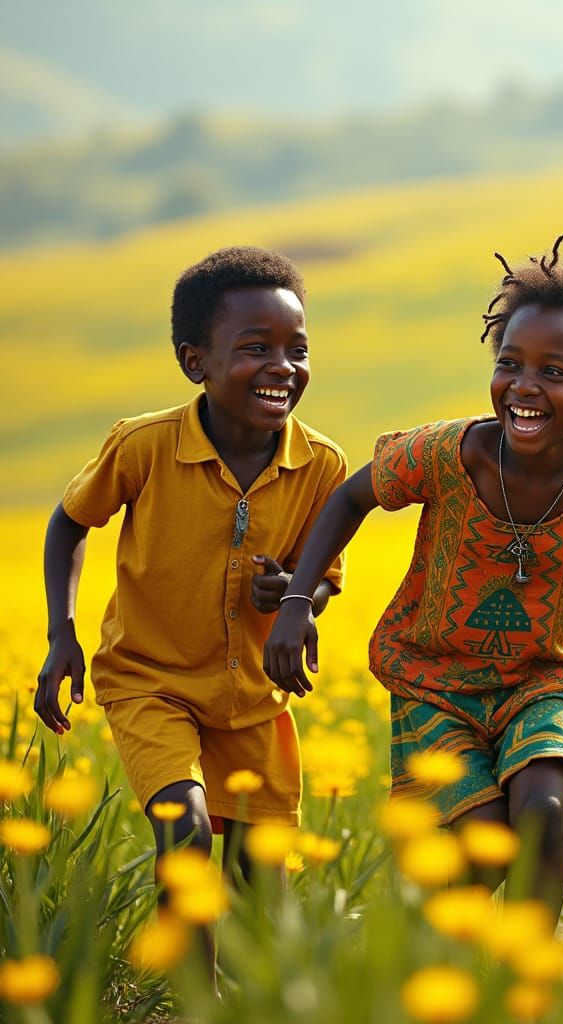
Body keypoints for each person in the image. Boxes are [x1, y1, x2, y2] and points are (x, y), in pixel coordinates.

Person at [263, 224, 563, 916]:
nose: (523, 387)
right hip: (432, 680)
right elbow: (352, 495)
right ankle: (429, 944)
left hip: (540, 679)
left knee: (541, 808)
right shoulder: (449, 453)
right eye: (511, 364)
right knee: (481, 837)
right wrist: (299, 599)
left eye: (555, 372)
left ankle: (526, 975)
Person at [36, 246, 347, 887]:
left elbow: (321, 582)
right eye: (257, 348)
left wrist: (295, 597)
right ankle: (187, 991)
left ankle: (243, 990)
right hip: (150, 681)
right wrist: (61, 632)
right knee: (186, 832)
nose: (282, 367)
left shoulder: (322, 466)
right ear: (194, 362)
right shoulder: (144, 447)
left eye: (298, 349)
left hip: (252, 700)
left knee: (259, 882)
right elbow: (70, 520)